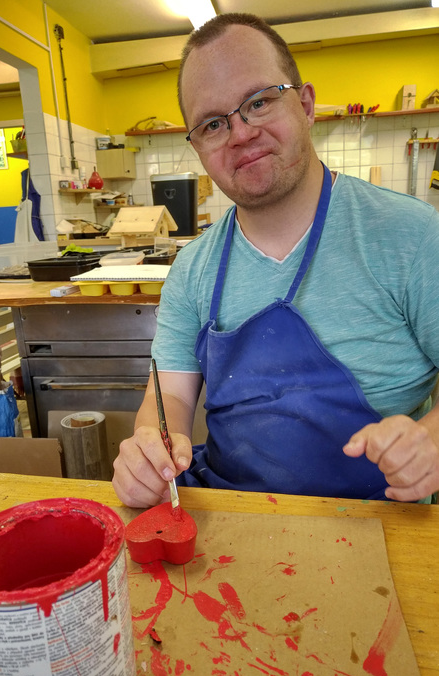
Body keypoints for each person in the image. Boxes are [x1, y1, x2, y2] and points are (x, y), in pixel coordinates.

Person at [113, 12, 439, 508]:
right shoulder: (193, 269)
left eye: (259, 102)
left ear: (305, 105)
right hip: (233, 517)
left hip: (378, 525)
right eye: (213, 124)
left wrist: (431, 441)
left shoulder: (411, 236)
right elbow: (170, 397)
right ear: (198, 147)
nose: (240, 134)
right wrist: (148, 451)